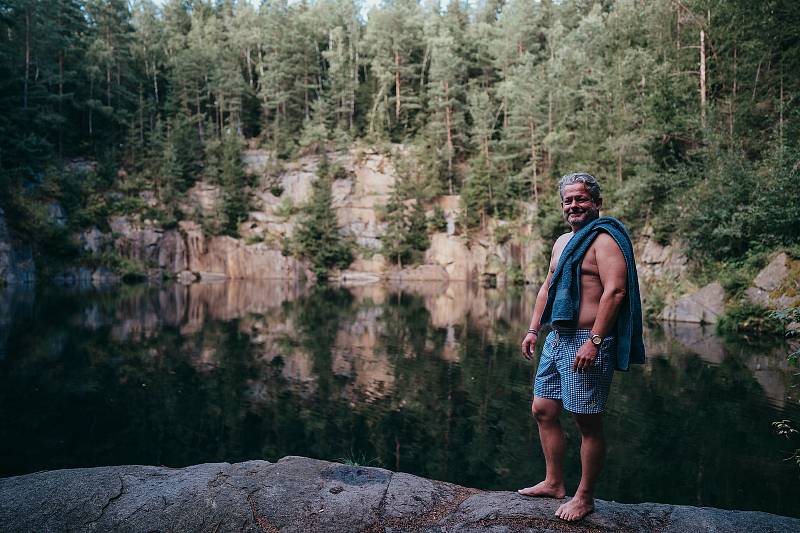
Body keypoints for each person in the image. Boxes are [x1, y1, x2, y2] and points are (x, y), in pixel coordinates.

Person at [517, 172, 645, 522]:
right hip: (557, 337)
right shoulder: (561, 242)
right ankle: (554, 482)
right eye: (568, 200)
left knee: (587, 422)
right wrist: (533, 329)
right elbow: (547, 287)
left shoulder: (605, 241)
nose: (574, 205)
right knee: (543, 409)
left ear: (596, 203)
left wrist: (595, 341)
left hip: (588, 340)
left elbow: (615, 292)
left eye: (581, 199)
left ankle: (585, 497)